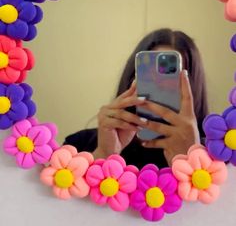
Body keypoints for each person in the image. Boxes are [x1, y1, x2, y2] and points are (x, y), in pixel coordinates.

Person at [65, 29, 209, 168]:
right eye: (149, 77)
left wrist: (193, 159)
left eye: (171, 78)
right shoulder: (78, 146)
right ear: (133, 77)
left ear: (193, 87)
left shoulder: (219, 155)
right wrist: (103, 154)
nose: (159, 87)